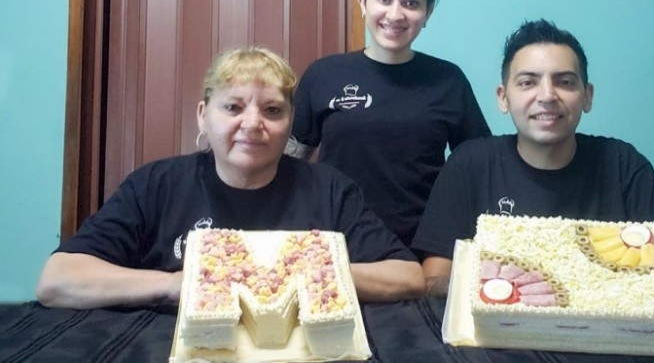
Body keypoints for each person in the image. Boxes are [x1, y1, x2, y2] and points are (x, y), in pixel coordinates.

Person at [36, 46, 425, 310]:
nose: (252, 123)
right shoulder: (156, 184)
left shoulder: (329, 188)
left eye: (272, 110)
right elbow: (57, 280)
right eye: (234, 107)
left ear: (290, 122)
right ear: (203, 115)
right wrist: (181, 284)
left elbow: (407, 277)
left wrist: (308, 273)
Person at [411, 19, 654, 303]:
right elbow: (434, 279)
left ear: (587, 95)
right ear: (503, 97)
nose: (547, 96)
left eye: (565, 82)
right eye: (528, 82)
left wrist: (608, 285)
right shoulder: (471, 163)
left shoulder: (620, 164)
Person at [287, 0, 491, 248]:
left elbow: (480, 167)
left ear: (427, 13)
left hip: (424, 247)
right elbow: (289, 163)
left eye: (411, 3)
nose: (395, 15)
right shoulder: (323, 75)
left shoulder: (448, 80)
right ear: (363, 2)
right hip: (335, 241)